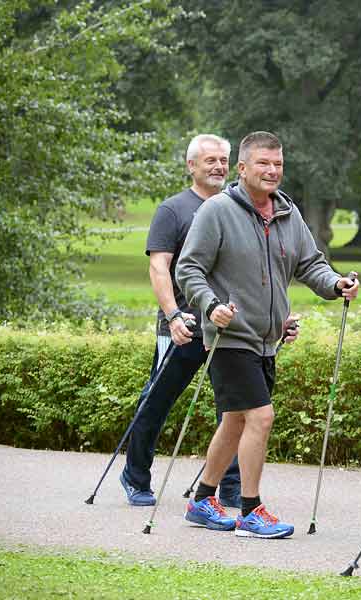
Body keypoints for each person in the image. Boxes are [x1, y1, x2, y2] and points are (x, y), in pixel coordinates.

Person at [176, 131, 359, 538]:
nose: (272, 170)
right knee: (260, 416)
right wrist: (210, 305)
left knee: (236, 421)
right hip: (229, 336)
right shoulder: (218, 211)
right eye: (262, 163)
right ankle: (250, 510)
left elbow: (310, 263)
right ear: (242, 168)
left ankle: (203, 500)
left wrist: (335, 284)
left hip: (266, 339)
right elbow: (188, 269)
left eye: (277, 164)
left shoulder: (287, 214)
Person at [119, 134, 241, 508]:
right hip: (182, 326)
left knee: (235, 409)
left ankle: (231, 486)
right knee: (157, 402)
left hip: (225, 328)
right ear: (192, 165)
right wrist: (172, 315)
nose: (219, 166)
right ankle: (136, 476)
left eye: (224, 160)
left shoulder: (237, 209)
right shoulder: (173, 210)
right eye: (211, 160)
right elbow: (159, 267)